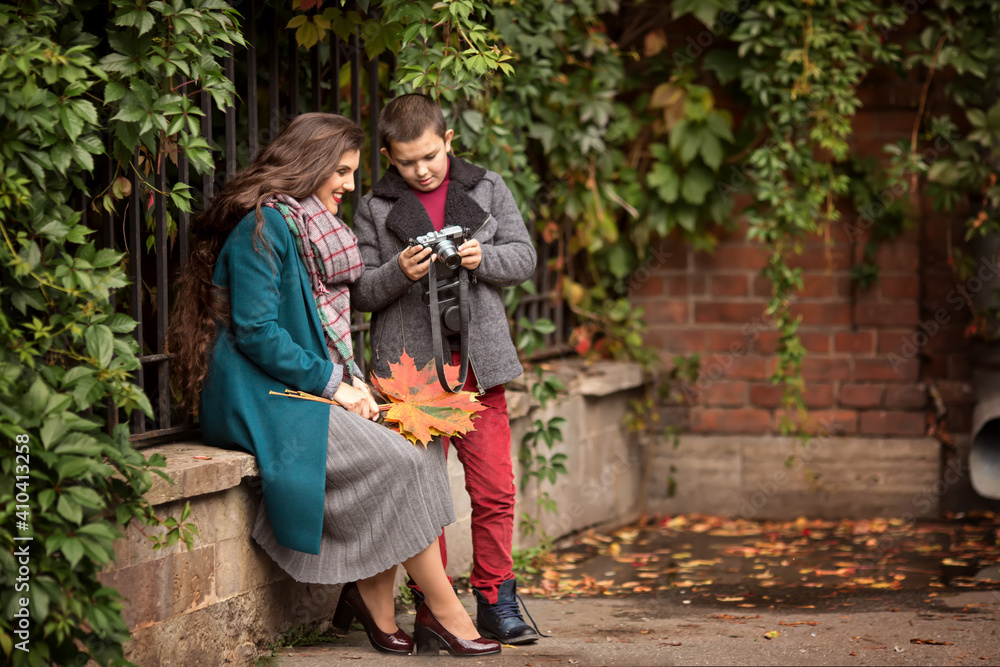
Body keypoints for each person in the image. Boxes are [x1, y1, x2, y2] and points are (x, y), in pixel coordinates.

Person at [166, 112, 500, 657]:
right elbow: (255, 332)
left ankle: (378, 603)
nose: (348, 184)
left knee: (414, 458)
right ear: (311, 165)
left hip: (290, 387)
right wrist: (333, 382)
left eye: (352, 172)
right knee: (400, 462)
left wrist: (341, 382)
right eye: (341, 172)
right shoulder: (263, 225)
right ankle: (444, 613)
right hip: (258, 396)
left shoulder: (302, 225)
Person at [351, 94, 540, 644]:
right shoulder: (375, 207)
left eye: (430, 156)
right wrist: (398, 272)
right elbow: (360, 290)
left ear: (449, 140)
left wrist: (486, 257)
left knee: (495, 490)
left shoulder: (488, 187)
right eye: (408, 162)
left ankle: (495, 599)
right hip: (412, 377)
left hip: (477, 368)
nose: (422, 169)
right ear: (388, 156)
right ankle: (433, 606)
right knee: (423, 497)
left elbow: (524, 257)